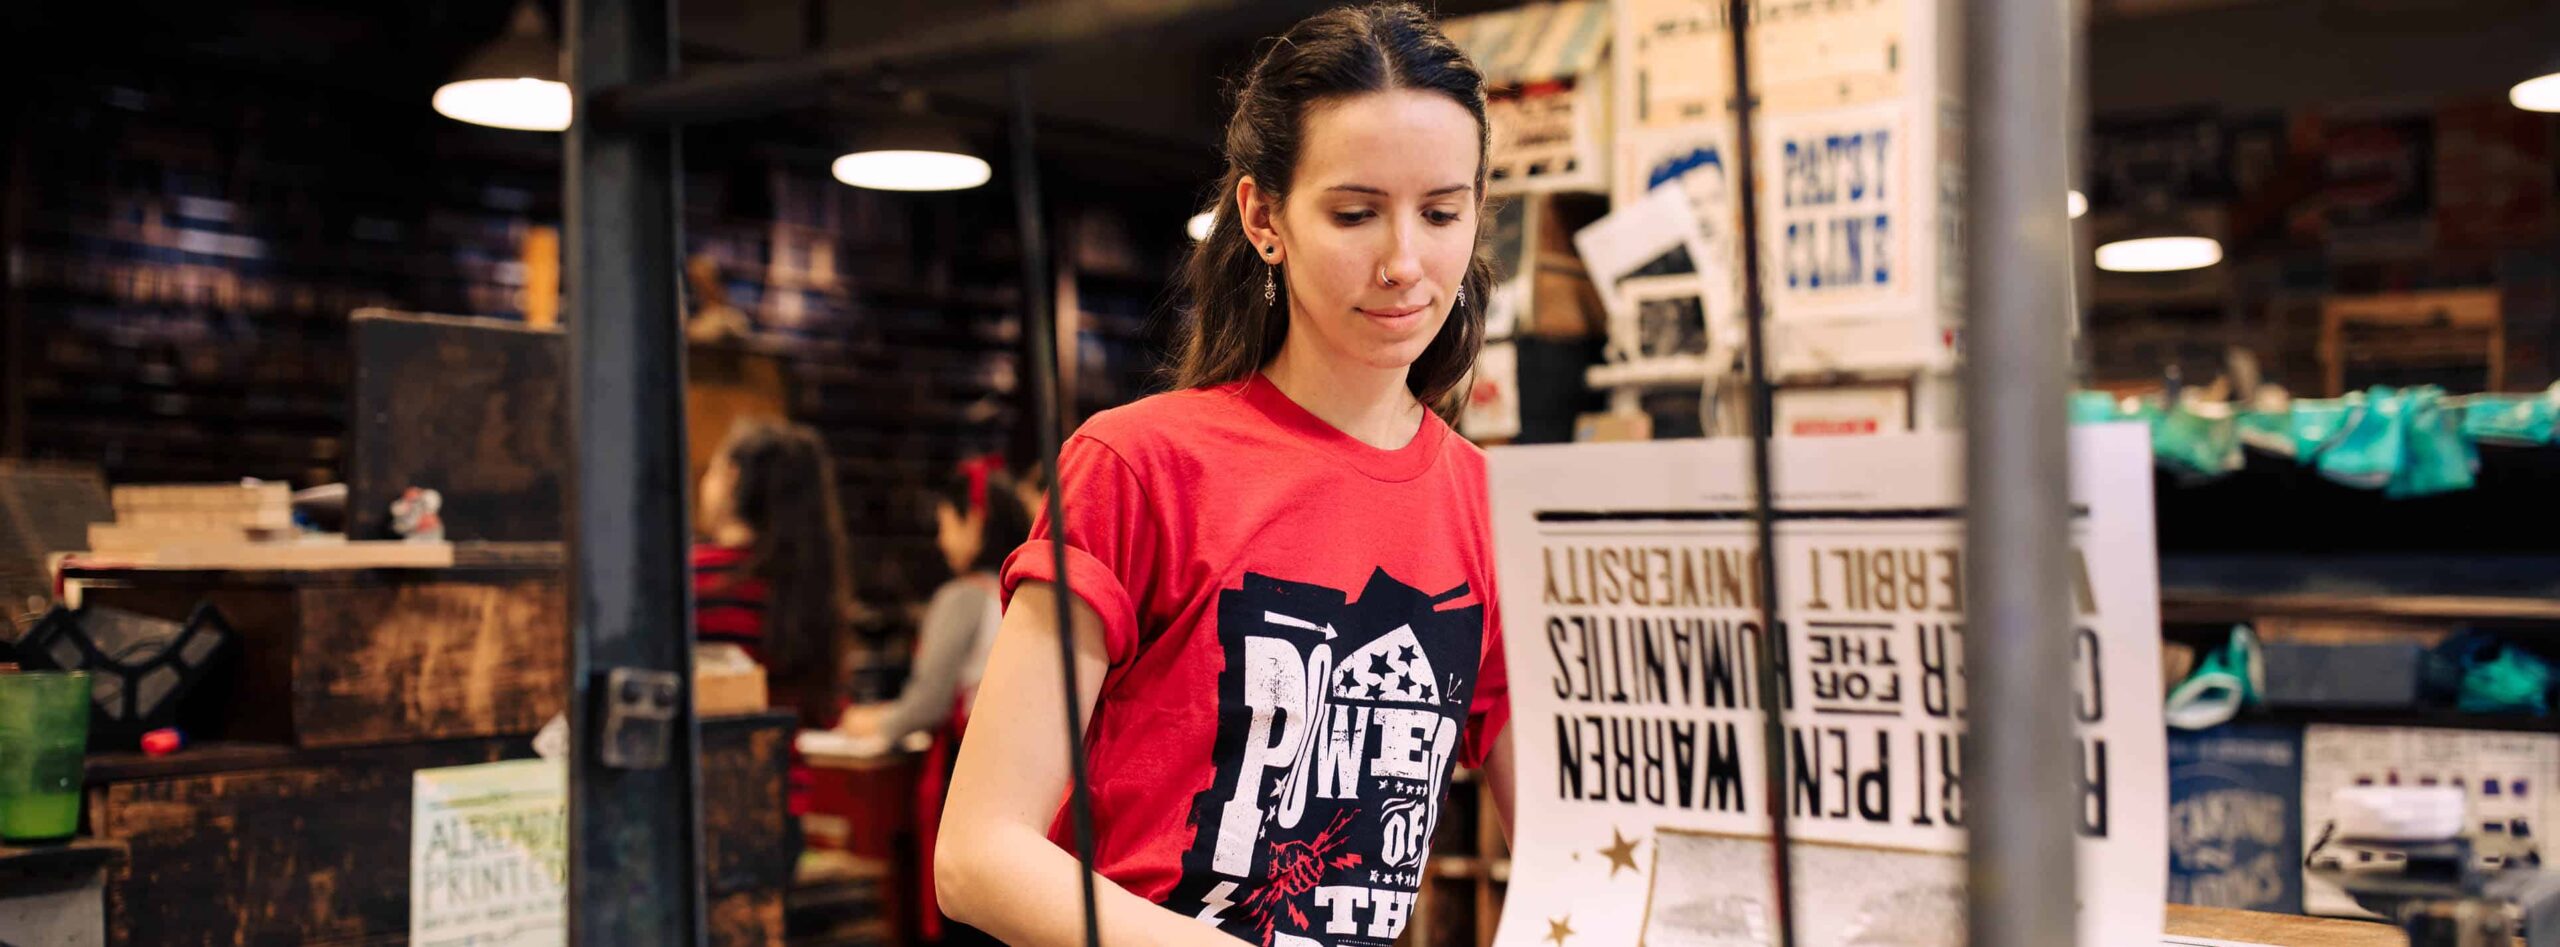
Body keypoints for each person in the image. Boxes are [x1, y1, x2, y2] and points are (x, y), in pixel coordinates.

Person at [935, 5, 1513, 945]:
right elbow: (977, 852)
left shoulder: (1491, 513)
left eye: (1441, 213)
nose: (1405, 262)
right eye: (1355, 213)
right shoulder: (1139, 468)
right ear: (1262, 217)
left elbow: (1581, 854)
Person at [693, 418, 857, 732]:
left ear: (731, 478)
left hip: (715, 760)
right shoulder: (813, 584)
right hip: (791, 761)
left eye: (711, 471)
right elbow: (829, 712)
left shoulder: (695, 578)